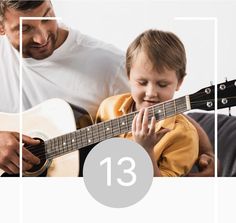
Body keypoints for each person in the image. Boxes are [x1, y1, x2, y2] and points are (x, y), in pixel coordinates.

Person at [0, 0, 214, 176]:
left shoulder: (109, 65)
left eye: (47, 17)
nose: (42, 36)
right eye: (24, 28)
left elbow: (162, 110)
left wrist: (208, 154)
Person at [97, 29, 199, 176]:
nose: (151, 93)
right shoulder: (108, 107)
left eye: (162, 84)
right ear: (128, 75)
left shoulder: (183, 135)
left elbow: (164, 191)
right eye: (142, 82)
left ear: (179, 82)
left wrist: (146, 149)